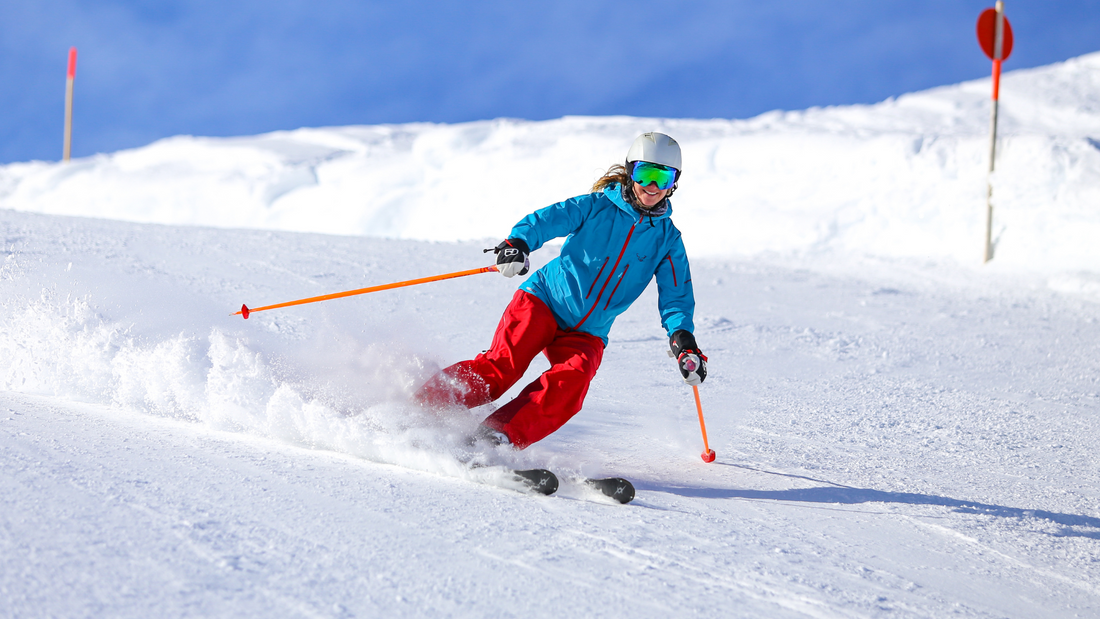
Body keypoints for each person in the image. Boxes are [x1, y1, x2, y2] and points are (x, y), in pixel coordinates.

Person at [413, 132, 707, 449]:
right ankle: (419, 406)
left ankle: (495, 438)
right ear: (629, 171)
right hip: (544, 301)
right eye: (644, 174)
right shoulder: (595, 207)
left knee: (571, 384)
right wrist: (518, 244)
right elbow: (548, 220)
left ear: (673, 183)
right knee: (501, 370)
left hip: (589, 331)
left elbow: (676, 295)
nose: (652, 186)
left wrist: (683, 339)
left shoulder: (668, 240)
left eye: (662, 177)